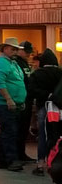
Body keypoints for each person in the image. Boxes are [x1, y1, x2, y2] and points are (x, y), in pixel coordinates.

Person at [0, 37, 27, 172]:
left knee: (6, 132)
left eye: (16, 49)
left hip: (13, 103)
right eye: (13, 49)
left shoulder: (13, 63)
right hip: (4, 104)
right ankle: (11, 160)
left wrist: (19, 100)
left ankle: (2, 160)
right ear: (5, 48)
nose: (15, 51)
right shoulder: (1, 63)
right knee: (10, 132)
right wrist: (9, 99)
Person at [28, 48, 62, 176]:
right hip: (59, 109)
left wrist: (46, 95)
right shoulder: (60, 73)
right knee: (58, 135)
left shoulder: (37, 74)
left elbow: (31, 90)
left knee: (44, 135)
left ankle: (41, 163)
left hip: (44, 107)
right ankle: (56, 161)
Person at [15, 40, 36, 163]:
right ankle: (17, 154)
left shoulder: (24, 63)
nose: (28, 55)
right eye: (26, 52)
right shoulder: (17, 63)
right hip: (21, 99)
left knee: (24, 128)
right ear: (20, 50)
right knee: (19, 128)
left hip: (27, 98)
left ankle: (21, 153)